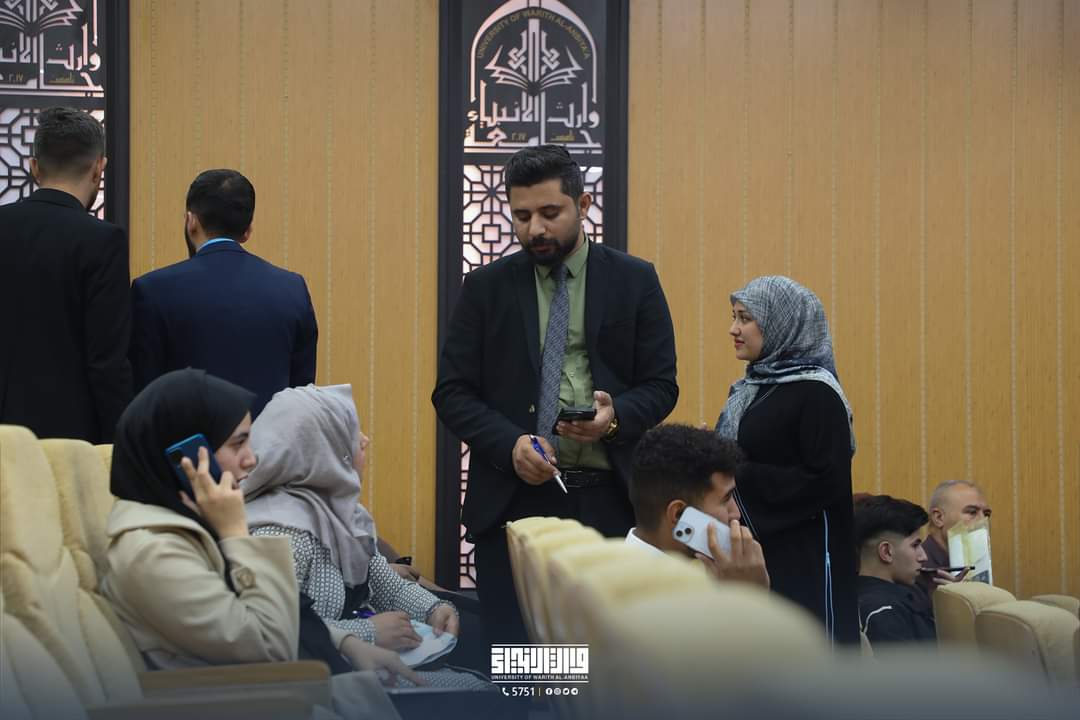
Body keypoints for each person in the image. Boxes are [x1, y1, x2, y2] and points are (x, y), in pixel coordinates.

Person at [432, 145, 678, 644]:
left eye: (550, 213)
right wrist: (510, 445)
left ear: (582, 205)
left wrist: (614, 419)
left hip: (611, 501)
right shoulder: (486, 287)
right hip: (513, 502)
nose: (535, 230)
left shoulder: (634, 280)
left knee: (601, 661)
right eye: (521, 216)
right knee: (519, 665)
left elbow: (661, 384)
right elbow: (452, 392)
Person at [100, 369, 420, 686]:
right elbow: (273, 646)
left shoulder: (188, 526)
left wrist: (347, 643)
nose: (251, 459)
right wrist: (237, 534)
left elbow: (277, 621)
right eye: (237, 444)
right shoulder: (154, 553)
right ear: (185, 460)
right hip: (252, 700)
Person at [244, 384, 491, 687]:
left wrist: (434, 609)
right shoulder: (280, 532)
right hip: (322, 681)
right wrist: (368, 632)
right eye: (349, 431)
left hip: (362, 666)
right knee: (478, 691)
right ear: (320, 449)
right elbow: (277, 630)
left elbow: (388, 587)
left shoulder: (341, 515)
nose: (364, 440)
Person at [715, 275, 858, 645]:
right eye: (734, 317)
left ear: (782, 323)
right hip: (765, 546)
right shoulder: (754, 388)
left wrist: (735, 471)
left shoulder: (817, 393)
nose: (734, 329)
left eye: (745, 318)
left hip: (807, 557)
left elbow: (825, 480)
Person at [128, 169, 318, 416]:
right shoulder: (292, 289)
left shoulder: (152, 290)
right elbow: (301, 394)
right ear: (248, 230)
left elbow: (143, 396)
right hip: (269, 439)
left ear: (191, 221)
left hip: (186, 440)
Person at [0, 106, 131, 442]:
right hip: (67, 437)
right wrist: (120, 444)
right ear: (99, 168)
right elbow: (107, 362)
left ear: (34, 167)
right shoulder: (103, 241)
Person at [627, 424, 769, 588]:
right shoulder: (641, 591)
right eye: (726, 499)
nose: (736, 513)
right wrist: (749, 593)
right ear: (678, 514)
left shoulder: (719, 573)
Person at [854, 495, 936, 645]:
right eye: (915, 545)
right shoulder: (885, 612)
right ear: (886, 552)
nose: (923, 556)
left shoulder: (861, 599)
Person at [915, 479, 989, 604]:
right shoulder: (918, 568)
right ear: (939, 518)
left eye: (986, 514)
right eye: (972, 512)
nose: (983, 520)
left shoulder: (978, 564)